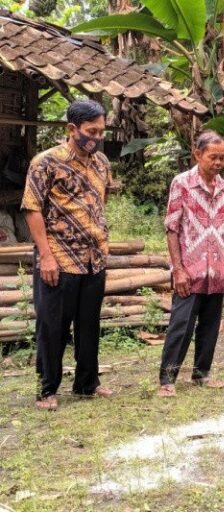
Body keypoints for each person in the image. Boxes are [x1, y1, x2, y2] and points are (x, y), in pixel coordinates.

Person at [23, 99, 114, 411]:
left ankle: (87, 383)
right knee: (53, 328)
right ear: (72, 129)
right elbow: (32, 208)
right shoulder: (45, 162)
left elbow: (100, 202)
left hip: (94, 258)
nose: (97, 137)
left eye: (101, 131)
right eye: (91, 131)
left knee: (89, 324)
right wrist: (46, 256)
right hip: (59, 258)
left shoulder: (101, 163)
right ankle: (47, 389)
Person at [158, 131, 224, 397]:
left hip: (216, 268)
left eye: (222, 158)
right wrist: (178, 269)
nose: (218, 163)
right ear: (197, 154)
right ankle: (167, 379)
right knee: (181, 325)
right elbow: (172, 229)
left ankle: (201, 373)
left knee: (210, 324)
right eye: (213, 157)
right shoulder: (182, 183)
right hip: (190, 270)